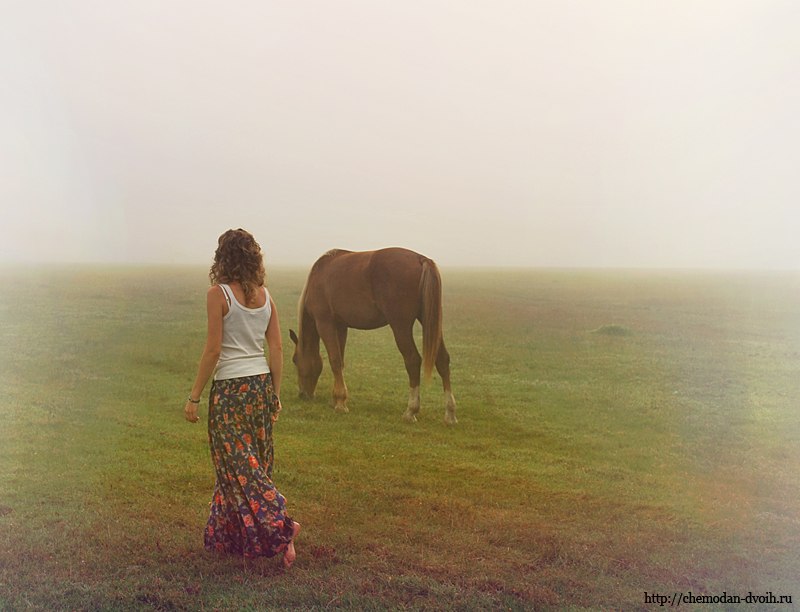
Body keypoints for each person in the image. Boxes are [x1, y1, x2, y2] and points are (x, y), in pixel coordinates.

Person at [183, 228, 300, 568]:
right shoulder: (266, 296)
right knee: (247, 464)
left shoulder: (217, 294)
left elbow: (213, 350)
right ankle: (227, 537)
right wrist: (275, 394)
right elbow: (276, 348)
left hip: (231, 391)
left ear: (223, 258)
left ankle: (283, 523)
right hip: (260, 386)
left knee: (238, 465)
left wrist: (194, 396)